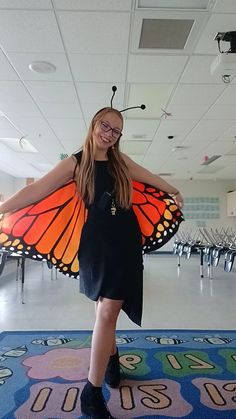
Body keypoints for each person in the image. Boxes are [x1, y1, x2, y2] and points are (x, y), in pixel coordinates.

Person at [0, 106, 183, 418]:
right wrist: (2, 207)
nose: (108, 133)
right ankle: (92, 393)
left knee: (107, 310)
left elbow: (150, 178)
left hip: (126, 241)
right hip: (96, 245)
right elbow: (35, 190)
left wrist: (174, 190)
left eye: (115, 131)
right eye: (105, 125)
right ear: (94, 124)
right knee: (106, 309)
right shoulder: (77, 162)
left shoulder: (120, 161)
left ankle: (110, 363)